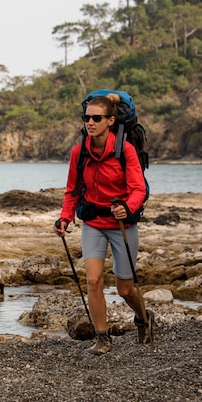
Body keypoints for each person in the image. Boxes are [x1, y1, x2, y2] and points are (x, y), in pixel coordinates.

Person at [53, 93, 154, 355]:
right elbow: (72, 191)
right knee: (94, 280)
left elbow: (138, 189)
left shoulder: (125, 150)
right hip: (93, 224)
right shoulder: (80, 152)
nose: (90, 122)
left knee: (125, 289)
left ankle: (144, 318)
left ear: (110, 120)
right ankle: (102, 338)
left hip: (122, 225)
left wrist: (127, 207)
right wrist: (65, 218)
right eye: (87, 118)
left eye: (96, 118)